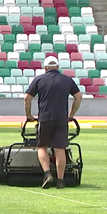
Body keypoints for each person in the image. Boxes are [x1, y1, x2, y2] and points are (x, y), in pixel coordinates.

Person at [24, 56, 82, 189]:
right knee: (60, 149)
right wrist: (71, 114)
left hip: (45, 118)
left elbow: (27, 98)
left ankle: (47, 173)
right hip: (62, 119)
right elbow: (78, 97)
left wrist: (28, 115)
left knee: (42, 146)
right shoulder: (67, 80)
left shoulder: (39, 79)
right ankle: (60, 180)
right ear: (58, 67)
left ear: (45, 68)